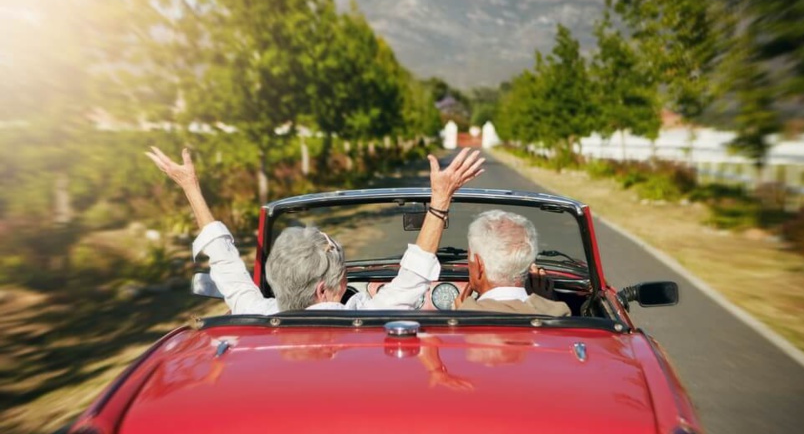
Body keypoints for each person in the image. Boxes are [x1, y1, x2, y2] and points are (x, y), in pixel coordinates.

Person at [146, 146, 484, 314]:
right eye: (342, 276)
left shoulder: (258, 312)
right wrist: (440, 198)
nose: (345, 283)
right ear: (324, 289)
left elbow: (225, 262)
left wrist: (190, 187)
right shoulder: (369, 314)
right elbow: (415, 275)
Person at [454, 209, 571, 317]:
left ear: (479, 266)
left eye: (469, 258)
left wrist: (457, 317)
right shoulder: (558, 313)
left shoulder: (465, 318)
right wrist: (542, 302)